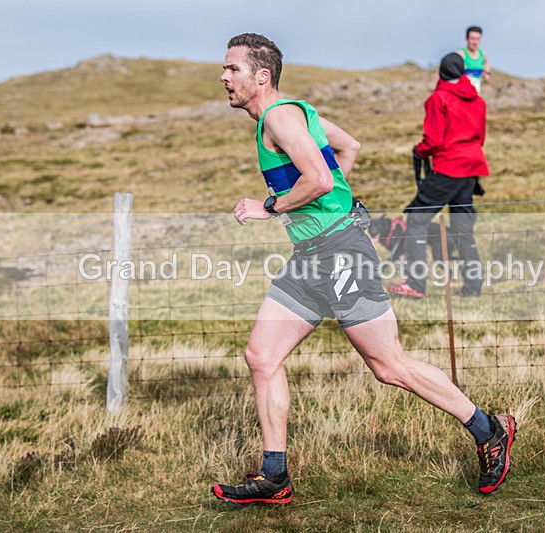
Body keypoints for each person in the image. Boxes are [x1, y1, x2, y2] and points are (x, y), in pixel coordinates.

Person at [212, 33, 516, 505]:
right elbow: (348, 147)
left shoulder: (278, 116)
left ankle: (489, 429)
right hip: (312, 255)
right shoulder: (296, 112)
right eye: (225, 68)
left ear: (261, 76)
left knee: (389, 365)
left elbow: (317, 177)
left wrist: (270, 207)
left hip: (341, 253)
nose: (224, 76)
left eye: (233, 69)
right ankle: (275, 476)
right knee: (262, 356)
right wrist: (330, 206)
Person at [386, 53, 488, 300]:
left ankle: (415, 283)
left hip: (448, 167)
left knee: (416, 220)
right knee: (463, 227)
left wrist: (419, 151)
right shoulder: (478, 101)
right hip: (471, 168)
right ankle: (473, 286)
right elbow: (480, 137)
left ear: (441, 72)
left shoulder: (438, 99)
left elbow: (433, 141)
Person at [457, 26, 491, 94]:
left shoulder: (482, 54)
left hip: (476, 95)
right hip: (462, 94)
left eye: (478, 39)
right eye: (472, 39)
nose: (475, 42)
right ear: (466, 39)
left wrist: (486, 74)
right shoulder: (461, 54)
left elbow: (486, 65)